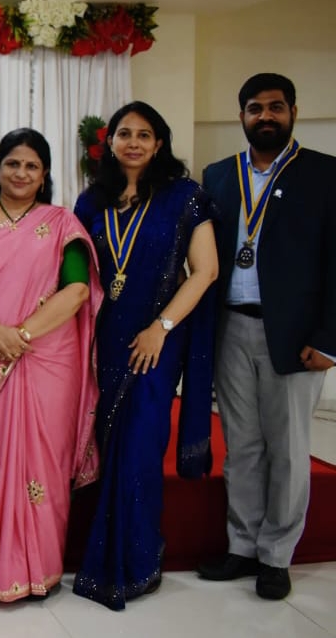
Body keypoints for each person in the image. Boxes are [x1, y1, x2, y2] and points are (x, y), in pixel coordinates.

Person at [72, 101, 219, 610]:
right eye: (124, 133)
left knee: (137, 448)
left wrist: (162, 328)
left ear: (159, 144)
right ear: (109, 142)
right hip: (102, 341)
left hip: (156, 343)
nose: (133, 142)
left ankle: (136, 562)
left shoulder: (185, 196)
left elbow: (205, 271)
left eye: (144, 134)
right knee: (105, 445)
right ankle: (105, 553)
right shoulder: (92, 201)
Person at [198, 73, 336, 601]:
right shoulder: (218, 175)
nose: (266, 117)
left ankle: (277, 555)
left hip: (295, 334)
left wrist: (330, 339)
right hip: (230, 326)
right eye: (255, 108)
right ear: (242, 116)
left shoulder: (323, 174)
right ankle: (242, 545)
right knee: (242, 447)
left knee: (290, 449)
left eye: (276, 107)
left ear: (293, 112)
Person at [0, 128, 101, 602]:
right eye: (12, 163)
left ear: (45, 174)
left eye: (31, 165)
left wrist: (22, 335)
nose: (21, 173)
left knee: (43, 464)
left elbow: (77, 291)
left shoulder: (61, 223)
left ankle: (40, 569)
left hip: (47, 360)